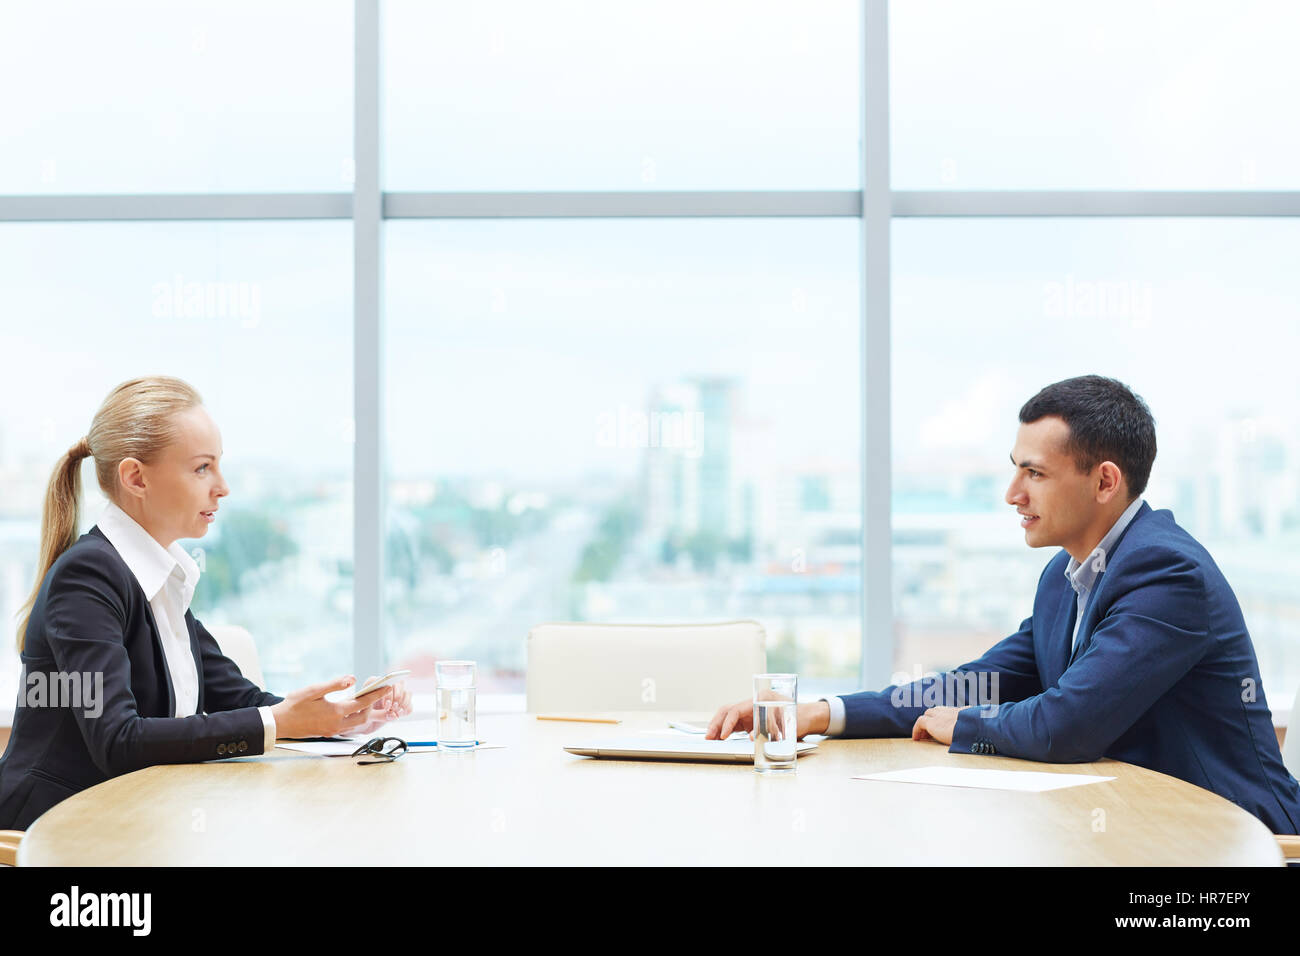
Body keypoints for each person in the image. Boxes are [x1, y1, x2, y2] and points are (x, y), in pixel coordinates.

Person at [708, 375, 1300, 836]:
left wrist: (965, 726)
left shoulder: (1167, 574)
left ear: (1105, 482)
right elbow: (979, 683)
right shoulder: (1062, 578)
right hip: (1130, 827)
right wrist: (824, 712)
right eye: (1014, 470)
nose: (1012, 494)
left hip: (1236, 843)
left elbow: (1069, 725)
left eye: (1034, 474)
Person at [0, 376, 412, 830]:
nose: (222, 487)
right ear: (136, 477)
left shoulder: (159, 578)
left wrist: (337, 715)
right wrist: (279, 721)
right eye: (202, 468)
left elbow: (239, 700)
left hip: (138, 819)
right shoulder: (88, 578)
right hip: (54, 829)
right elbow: (117, 739)